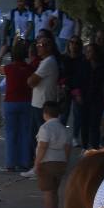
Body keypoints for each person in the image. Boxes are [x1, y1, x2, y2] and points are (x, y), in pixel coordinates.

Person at [23, 101, 70, 208]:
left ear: (45, 113)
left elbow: (43, 146)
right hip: (60, 162)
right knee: (54, 192)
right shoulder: (62, 127)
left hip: (47, 162)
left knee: (48, 192)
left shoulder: (45, 128)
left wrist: (36, 164)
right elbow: (67, 147)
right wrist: (65, 161)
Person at [24, 35, 59, 172]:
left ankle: (38, 167)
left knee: (41, 140)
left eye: (42, 45)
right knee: (36, 137)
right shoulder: (45, 61)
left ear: (49, 47)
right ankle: (36, 165)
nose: (39, 47)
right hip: (38, 103)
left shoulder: (48, 62)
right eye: (38, 44)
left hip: (42, 105)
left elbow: (31, 81)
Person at [0, 39, 34, 171]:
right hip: (26, 102)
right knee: (25, 133)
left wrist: (0, 55)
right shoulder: (30, 69)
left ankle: (10, 163)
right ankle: (24, 162)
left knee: (11, 133)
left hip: (11, 102)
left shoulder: (9, 68)